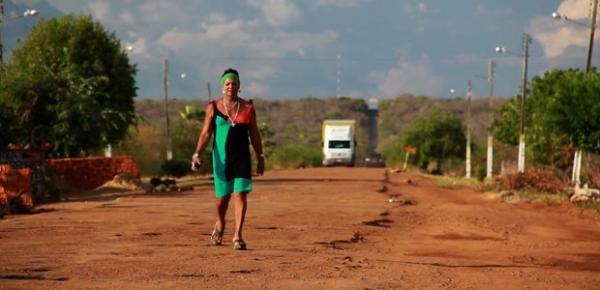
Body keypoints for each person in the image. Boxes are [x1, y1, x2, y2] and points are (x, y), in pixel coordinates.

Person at [191, 68, 265, 250]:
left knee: (240, 194)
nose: (231, 86)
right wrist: (197, 154)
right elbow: (206, 133)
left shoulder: (248, 108)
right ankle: (220, 222)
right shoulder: (213, 107)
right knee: (222, 199)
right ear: (222, 87)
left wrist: (260, 156)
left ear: (239, 87)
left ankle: (237, 236)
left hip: (242, 158)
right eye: (227, 83)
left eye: (234, 83)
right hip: (221, 159)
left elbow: (254, 134)